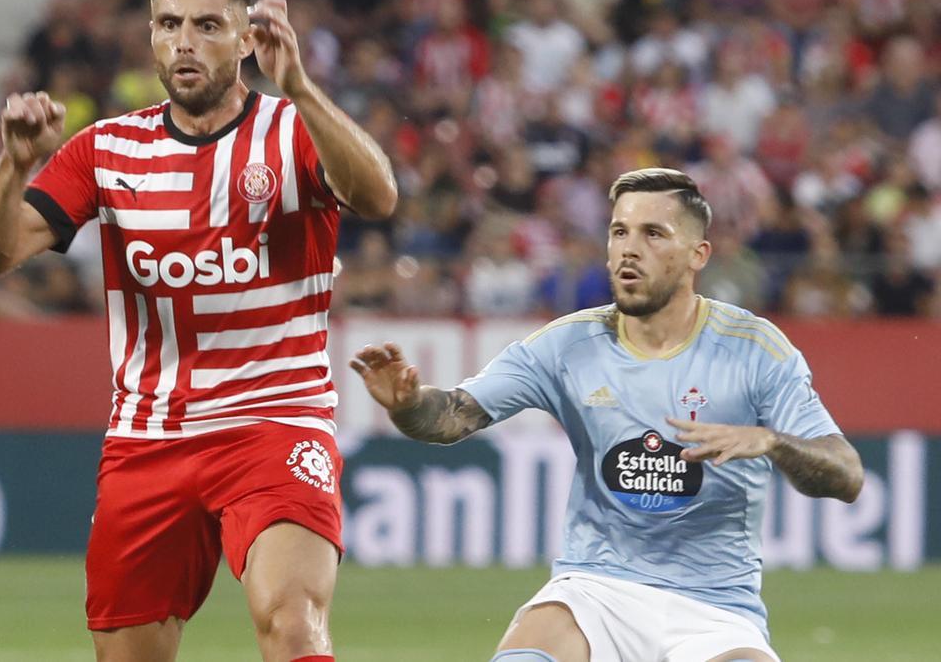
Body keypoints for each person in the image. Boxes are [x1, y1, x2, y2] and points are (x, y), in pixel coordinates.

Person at [0, 0, 397, 660]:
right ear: (152, 35)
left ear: (246, 40)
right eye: (169, 24)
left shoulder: (292, 129)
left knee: (292, 622)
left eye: (207, 25)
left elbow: (378, 195)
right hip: (149, 437)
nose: (184, 41)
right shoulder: (105, 149)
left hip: (273, 420)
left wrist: (300, 88)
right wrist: (14, 166)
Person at [349, 168, 863, 662]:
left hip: (715, 608)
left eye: (653, 234)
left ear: (697, 255)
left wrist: (773, 441)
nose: (629, 249)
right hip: (595, 589)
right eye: (619, 232)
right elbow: (452, 416)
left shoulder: (755, 349)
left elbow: (846, 475)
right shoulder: (568, 344)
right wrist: (409, 404)